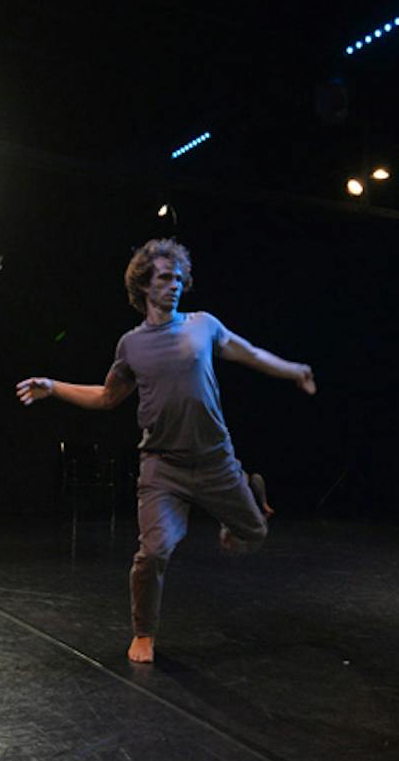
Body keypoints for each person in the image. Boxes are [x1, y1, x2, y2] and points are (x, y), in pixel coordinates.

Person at [16, 239, 315, 664]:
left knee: (254, 534)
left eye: (178, 278)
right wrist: (53, 387)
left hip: (215, 460)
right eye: (164, 278)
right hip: (162, 467)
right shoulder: (131, 345)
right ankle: (144, 633)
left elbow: (248, 353)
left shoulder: (202, 325)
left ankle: (243, 503)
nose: (174, 286)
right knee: (153, 552)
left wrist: (294, 370)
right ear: (143, 286)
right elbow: (106, 397)